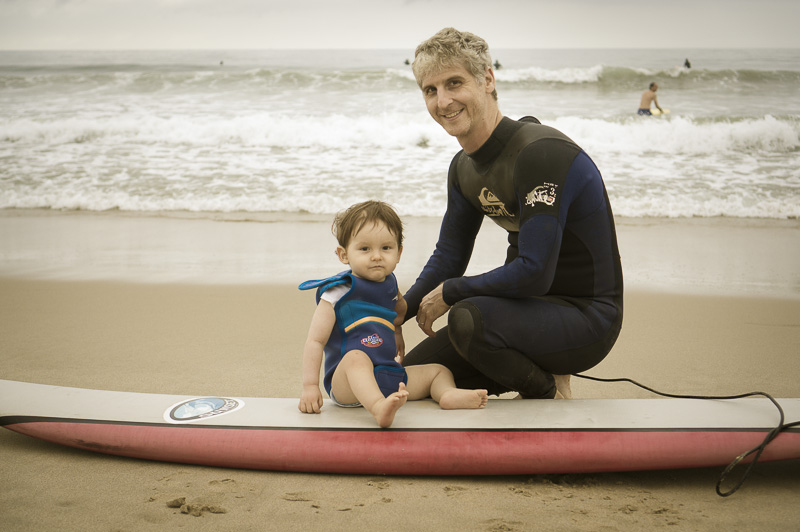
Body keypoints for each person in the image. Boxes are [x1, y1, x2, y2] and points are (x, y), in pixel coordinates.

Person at [402, 28, 623, 401]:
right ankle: (525, 376)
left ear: (487, 79)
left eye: (454, 83)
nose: (443, 101)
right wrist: (396, 312)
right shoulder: (463, 168)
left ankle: (548, 391)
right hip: (520, 316)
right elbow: (449, 257)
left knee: (466, 317)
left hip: (585, 320)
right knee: (407, 377)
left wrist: (451, 293)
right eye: (430, 90)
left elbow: (535, 273)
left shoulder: (540, 153)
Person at [298, 200, 488, 428]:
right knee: (356, 357)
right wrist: (310, 386)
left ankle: (446, 394)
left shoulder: (390, 285)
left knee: (438, 370)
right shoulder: (337, 291)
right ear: (343, 254)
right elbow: (315, 340)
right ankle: (379, 408)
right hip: (347, 384)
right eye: (365, 249)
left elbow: (398, 312)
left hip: (388, 375)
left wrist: (397, 330)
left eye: (386, 248)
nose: (377, 256)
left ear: (399, 253)